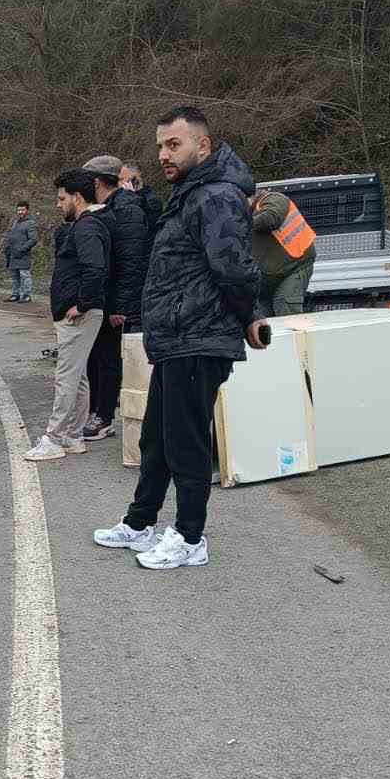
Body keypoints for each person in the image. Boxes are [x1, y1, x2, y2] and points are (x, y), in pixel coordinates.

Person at [94, 107, 266, 570]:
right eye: (159, 147)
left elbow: (234, 267)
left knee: (186, 444)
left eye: (174, 145)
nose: (163, 155)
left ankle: (190, 537)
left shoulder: (216, 197)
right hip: (177, 337)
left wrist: (250, 314)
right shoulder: (189, 194)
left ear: (202, 146)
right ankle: (140, 522)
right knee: (156, 438)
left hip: (200, 335)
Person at [25, 171, 112, 462]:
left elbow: (95, 268)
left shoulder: (87, 228)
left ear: (77, 197)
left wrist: (83, 304)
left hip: (78, 315)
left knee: (66, 375)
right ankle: (73, 436)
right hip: (78, 314)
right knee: (79, 376)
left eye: (62, 198)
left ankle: (53, 437)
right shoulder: (85, 226)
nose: (58, 204)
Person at [79, 155, 148, 442]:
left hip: (117, 300)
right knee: (95, 355)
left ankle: (104, 416)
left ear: (96, 182)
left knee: (108, 358)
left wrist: (121, 307)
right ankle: (96, 409)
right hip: (103, 296)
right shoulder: (104, 208)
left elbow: (132, 262)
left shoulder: (128, 211)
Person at [251, 187, 317, 317]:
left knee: (286, 308)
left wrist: (239, 222)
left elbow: (271, 218)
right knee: (264, 320)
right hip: (266, 279)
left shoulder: (274, 199)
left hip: (295, 267)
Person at [119, 161, 163, 243]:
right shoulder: (121, 198)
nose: (118, 183)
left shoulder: (152, 202)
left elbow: (147, 228)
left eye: (121, 179)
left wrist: (132, 198)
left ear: (134, 180)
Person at [4, 201, 37, 303]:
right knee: (14, 276)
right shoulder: (15, 222)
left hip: (23, 254)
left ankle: (27, 295)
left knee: (24, 275)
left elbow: (33, 239)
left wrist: (22, 249)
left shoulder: (31, 223)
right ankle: (15, 294)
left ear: (27, 210)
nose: (20, 212)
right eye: (18, 210)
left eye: (22, 210)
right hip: (13, 254)